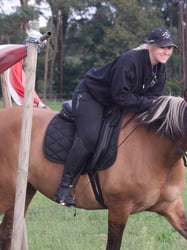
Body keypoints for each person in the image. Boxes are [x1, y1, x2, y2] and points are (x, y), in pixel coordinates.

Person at [54, 27, 178, 206]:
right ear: (150, 45)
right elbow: (121, 96)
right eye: (162, 47)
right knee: (89, 137)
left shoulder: (160, 70)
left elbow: (154, 99)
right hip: (91, 95)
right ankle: (64, 186)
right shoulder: (129, 61)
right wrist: (148, 103)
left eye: (170, 48)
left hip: (115, 102)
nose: (166, 51)